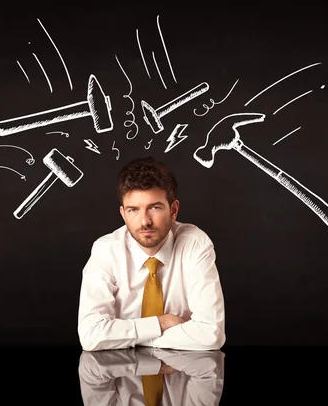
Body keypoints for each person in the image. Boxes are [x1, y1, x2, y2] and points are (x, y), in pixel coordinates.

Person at [77, 156, 226, 351]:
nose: (145, 221)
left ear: (173, 210)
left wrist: (129, 337)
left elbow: (211, 334)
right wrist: (160, 323)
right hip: (121, 375)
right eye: (133, 210)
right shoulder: (106, 251)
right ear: (122, 214)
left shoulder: (195, 244)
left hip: (182, 374)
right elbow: (90, 336)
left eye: (154, 208)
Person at [78, 347, 225, 405]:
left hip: (118, 349)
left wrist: (156, 367)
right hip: (183, 351)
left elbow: (92, 369)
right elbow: (209, 366)